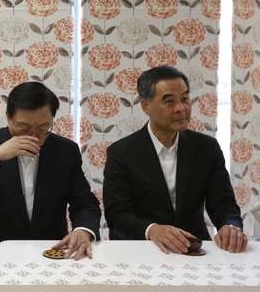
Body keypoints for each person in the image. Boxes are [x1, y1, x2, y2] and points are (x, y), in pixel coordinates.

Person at [0, 82, 100, 259]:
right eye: (23, 127)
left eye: (44, 127)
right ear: (8, 118)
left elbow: (85, 203)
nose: (34, 135)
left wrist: (83, 231)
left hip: (49, 249)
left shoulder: (66, 151)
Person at [103, 66, 247, 254]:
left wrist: (230, 225)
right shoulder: (121, 153)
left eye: (185, 99)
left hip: (194, 249)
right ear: (146, 106)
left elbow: (223, 203)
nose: (181, 108)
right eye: (169, 101)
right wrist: (152, 230)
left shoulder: (206, 148)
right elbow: (118, 215)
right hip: (143, 249)